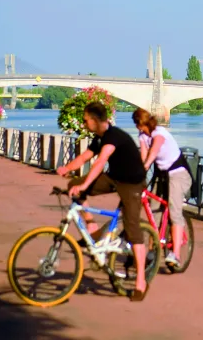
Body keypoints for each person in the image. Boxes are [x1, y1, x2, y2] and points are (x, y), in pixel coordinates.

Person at [55, 101, 150, 301]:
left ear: (96, 120)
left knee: (133, 228)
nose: (84, 124)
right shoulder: (98, 138)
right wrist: (67, 169)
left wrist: (85, 184)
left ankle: (141, 281)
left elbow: (99, 162)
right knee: (75, 185)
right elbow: (84, 158)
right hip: (114, 178)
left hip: (132, 182)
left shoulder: (113, 136)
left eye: (86, 120)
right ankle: (94, 231)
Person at [133, 107, 193, 270]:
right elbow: (144, 155)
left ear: (143, 122)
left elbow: (153, 153)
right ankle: (152, 251)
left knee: (174, 211)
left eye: (138, 124)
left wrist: (145, 166)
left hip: (178, 173)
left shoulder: (160, 133)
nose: (138, 128)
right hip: (162, 175)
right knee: (154, 212)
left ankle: (176, 255)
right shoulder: (142, 136)